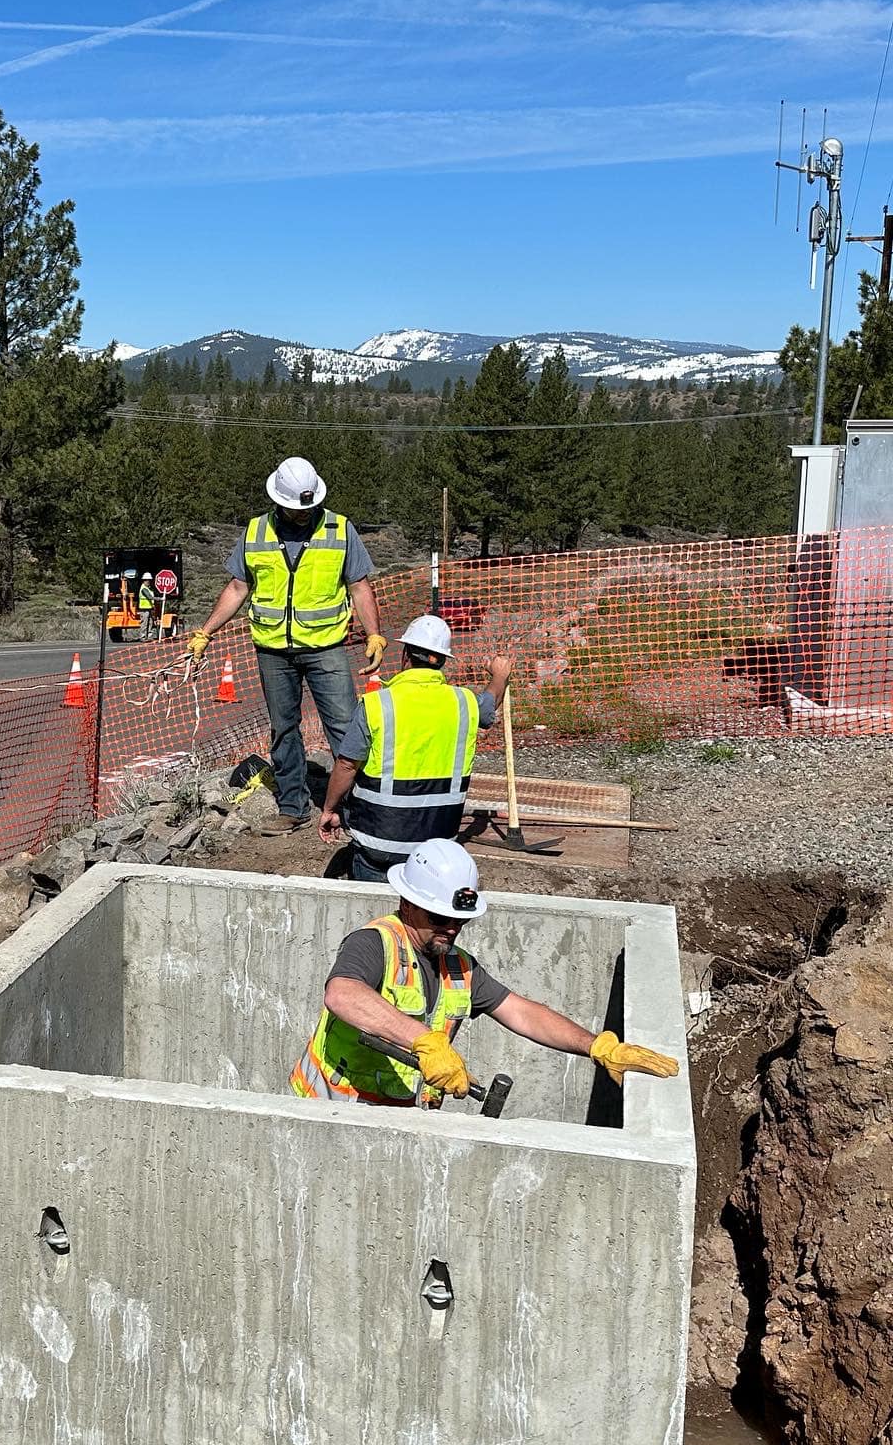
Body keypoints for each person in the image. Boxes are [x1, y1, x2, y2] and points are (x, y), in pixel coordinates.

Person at [289, 839, 680, 1106]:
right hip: (326, 1116)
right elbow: (343, 994)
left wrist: (597, 1047)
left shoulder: (459, 968)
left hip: (393, 1122)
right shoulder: (375, 944)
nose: (451, 928)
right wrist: (426, 1042)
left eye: (459, 920)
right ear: (407, 904)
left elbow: (522, 1012)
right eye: (439, 916)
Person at [185, 456, 385, 834]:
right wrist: (206, 632)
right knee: (284, 729)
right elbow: (237, 587)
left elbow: (359, 585)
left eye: (307, 507)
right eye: (295, 508)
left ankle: (357, 808)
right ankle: (293, 806)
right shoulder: (256, 531)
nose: (302, 514)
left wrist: (374, 633)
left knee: (345, 727)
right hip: (274, 650)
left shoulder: (340, 529)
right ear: (278, 500)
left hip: (326, 647)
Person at [319, 614, 512, 881]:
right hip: (436, 846)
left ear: (405, 656)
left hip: (379, 844)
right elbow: (489, 705)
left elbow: (346, 765)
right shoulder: (464, 703)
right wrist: (500, 676)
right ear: (443, 662)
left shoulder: (378, 705)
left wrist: (330, 809)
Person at [137, 573, 156, 640]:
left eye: (149, 580)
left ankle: (149, 636)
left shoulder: (149, 588)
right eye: (146, 580)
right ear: (144, 581)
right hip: (144, 609)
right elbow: (149, 597)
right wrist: (160, 599)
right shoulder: (143, 589)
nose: (148, 581)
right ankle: (143, 636)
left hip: (149, 608)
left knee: (150, 623)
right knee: (144, 623)